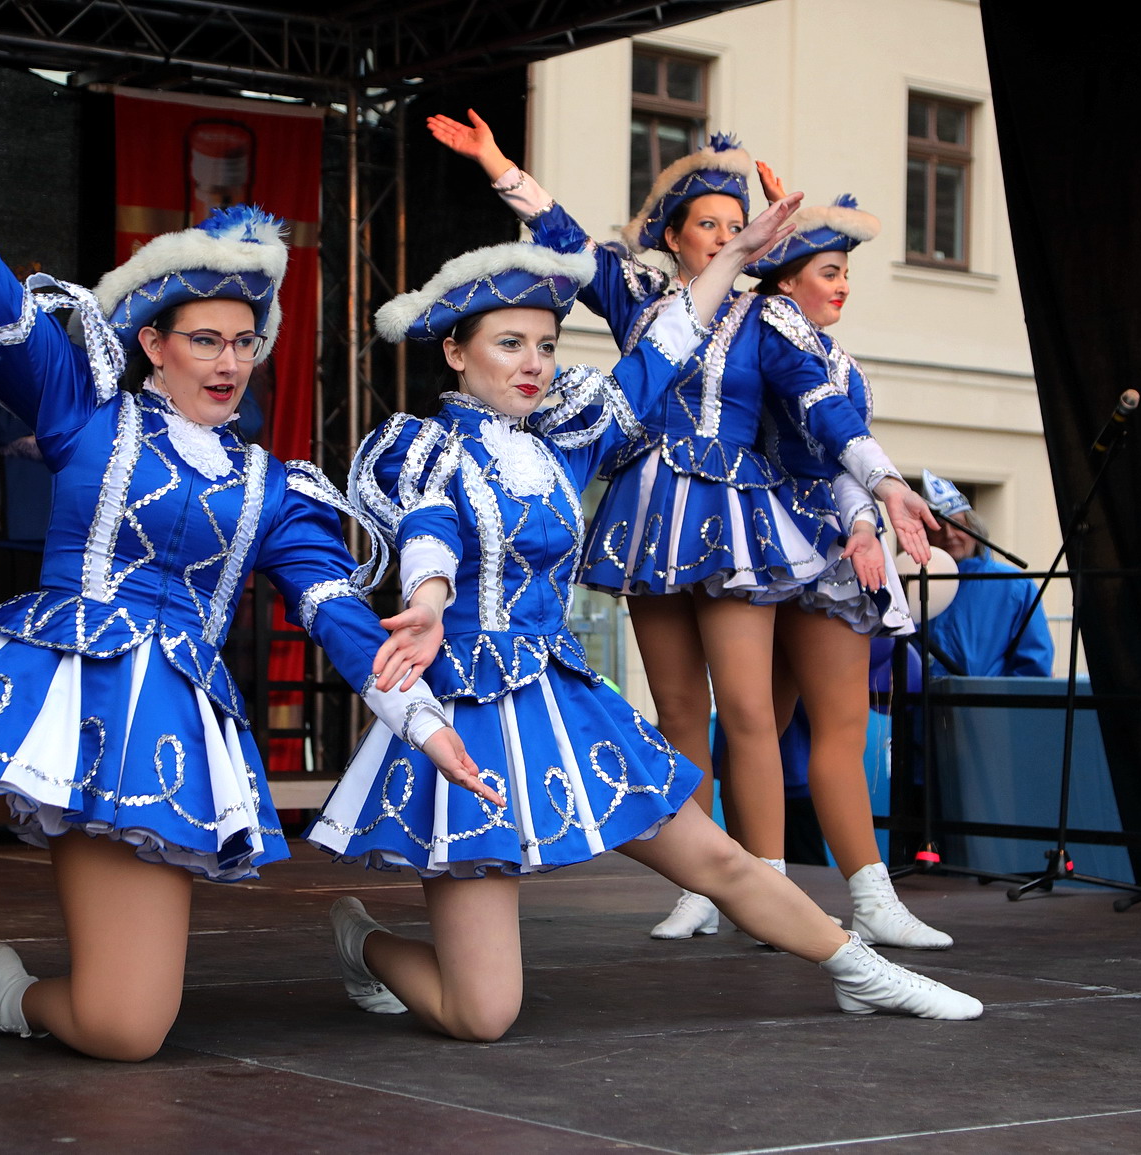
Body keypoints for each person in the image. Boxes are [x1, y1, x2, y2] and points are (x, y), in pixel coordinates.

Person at [0, 137, 488, 1066]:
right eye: (205, 340)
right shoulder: (86, 413)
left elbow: (338, 615)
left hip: (145, 747)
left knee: (125, 1026)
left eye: (244, 343)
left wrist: (425, 724)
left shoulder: (276, 489)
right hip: (25, 698)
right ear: (153, 343)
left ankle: (4, 995)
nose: (230, 362)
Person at [307, 212, 984, 1042]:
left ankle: (864, 972)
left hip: (564, 698)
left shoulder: (564, 445)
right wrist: (429, 594)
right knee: (482, 1014)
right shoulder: (426, 448)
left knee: (719, 856)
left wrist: (736, 257)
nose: (534, 363)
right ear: (455, 351)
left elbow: (664, 348)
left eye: (546, 345)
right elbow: (429, 528)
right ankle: (365, 942)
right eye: (509, 344)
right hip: (469, 714)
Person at [428, 111, 938, 941]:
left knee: (747, 708)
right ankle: (702, 884)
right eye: (709, 224)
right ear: (673, 236)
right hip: (647, 514)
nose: (725, 237)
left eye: (737, 226)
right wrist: (495, 162)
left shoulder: (766, 318)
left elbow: (822, 407)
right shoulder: (636, 294)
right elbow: (564, 238)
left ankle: (770, 888)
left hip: (736, 515)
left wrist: (885, 484)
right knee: (675, 709)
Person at [713, 181, 951, 950]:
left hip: (820, 547)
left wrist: (865, 519)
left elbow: (834, 454)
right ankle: (773, 894)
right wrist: (886, 489)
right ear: (786, 279)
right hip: (770, 538)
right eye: (829, 270)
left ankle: (844, 896)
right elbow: (821, 420)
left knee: (813, 726)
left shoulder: (829, 353)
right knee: (769, 724)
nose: (844, 284)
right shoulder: (773, 327)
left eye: (847, 272)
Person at [920, 470, 1053, 678]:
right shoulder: (913, 581)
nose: (949, 535)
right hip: (920, 699)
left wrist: (998, 698)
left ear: (975, 530)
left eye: (958, 525)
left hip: (987, 698)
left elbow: (1033, 663)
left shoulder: (1013, 584)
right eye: (938, 527)